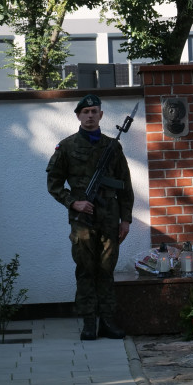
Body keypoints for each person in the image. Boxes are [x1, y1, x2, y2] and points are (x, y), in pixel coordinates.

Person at [46, 94, 134, 341]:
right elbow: (53, 183)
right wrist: (73, 202)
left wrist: (125, 219)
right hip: (82, 221)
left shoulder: (113, 147)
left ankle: (107, 321)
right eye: (85, 112)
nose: (90, 115)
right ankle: (88, 322)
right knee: (85, 270)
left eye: (94, 111)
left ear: (101, 115)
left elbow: (125, 186)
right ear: (78, 115)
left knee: (106, 270)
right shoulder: (66, 147)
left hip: (110, 218)